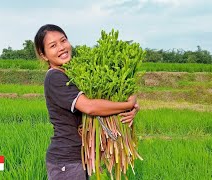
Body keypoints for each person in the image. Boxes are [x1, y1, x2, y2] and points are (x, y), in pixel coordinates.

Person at [34, 24, 139, 180]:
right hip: (66, 161)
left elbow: (107, 101)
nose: (61, 47)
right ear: (44, 55)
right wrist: (127, 105)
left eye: (63, 41)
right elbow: (90, 107)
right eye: (53, 46)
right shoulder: (55, 77)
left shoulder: (75, 72)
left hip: (78, 159)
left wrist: (131, 107)